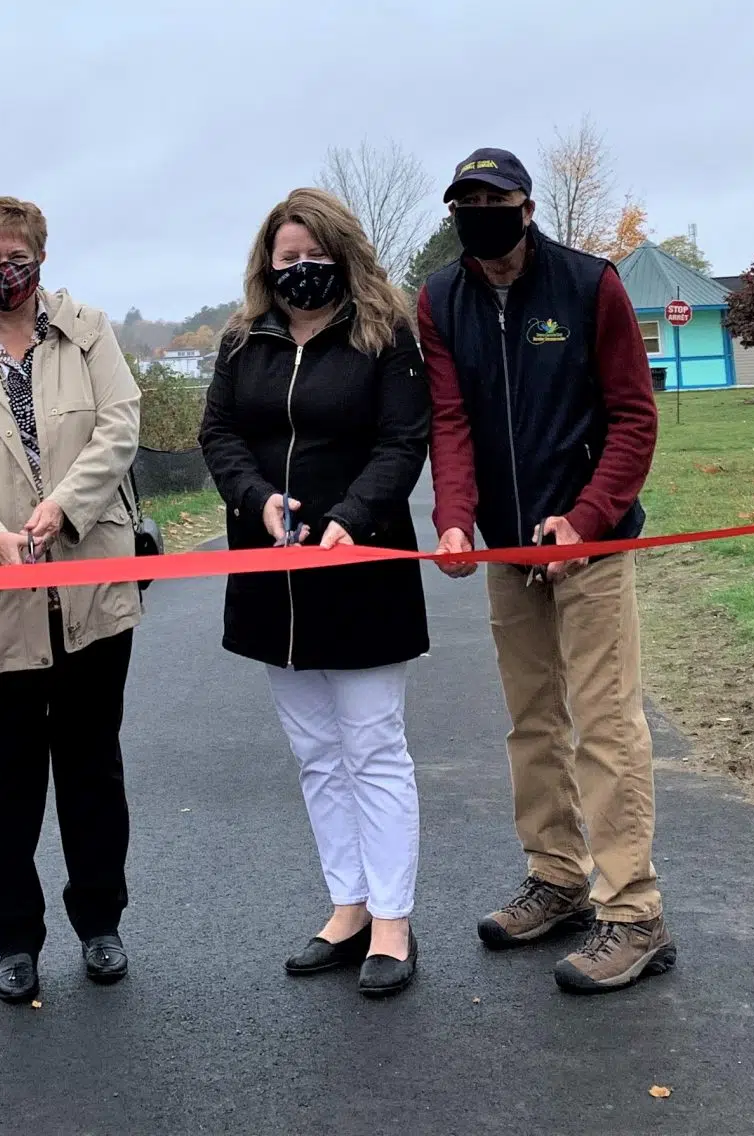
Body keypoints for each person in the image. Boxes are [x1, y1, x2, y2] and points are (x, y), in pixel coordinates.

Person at [418, 146, 669, 995]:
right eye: (465, 203)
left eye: (494, 200)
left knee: (604, 723)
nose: (479, 215)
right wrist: (455, 519)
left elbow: (634, 419)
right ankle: (558, 877)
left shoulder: (588, 286)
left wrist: (586, 520)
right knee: (531, 721)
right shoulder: (442, 298)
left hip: (590, 547)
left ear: (526, 209)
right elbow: (448, 420)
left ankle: (633, 912)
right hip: (506, 550)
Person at [200, 187, 431, 997]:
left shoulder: (385, 336)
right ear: (268, 263)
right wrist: (254, 497)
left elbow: (406, 439)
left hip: (360, 565)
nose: (300, 270)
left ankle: (395, 922)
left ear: (344, 253)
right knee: (315, 755)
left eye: (313, 255)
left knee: (372, 747)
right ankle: (349, 906)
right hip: (273, 576)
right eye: (286, 257)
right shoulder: (241, 341)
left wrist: (354, 518)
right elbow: (219, 433)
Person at [0, 196, 142, 1005]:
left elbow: (119, 426)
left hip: (90, 587)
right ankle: (15, 940)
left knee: (92, 769)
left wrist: (65, 509)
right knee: (2, 784)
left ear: (41, 258)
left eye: (18, 257)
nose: (4, 272)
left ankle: (101, 924)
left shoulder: (88, 332)